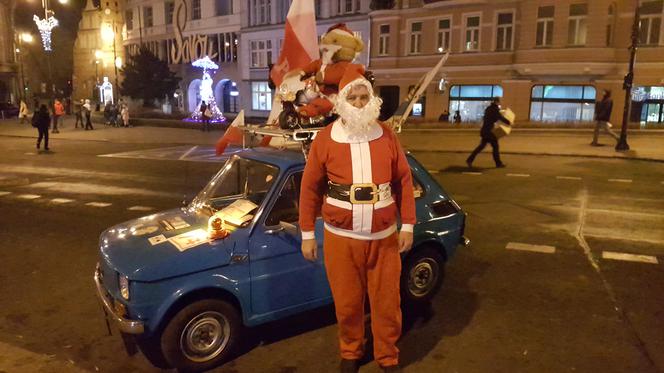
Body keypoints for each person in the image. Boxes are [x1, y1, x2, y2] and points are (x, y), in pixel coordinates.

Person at [299, 70, 416, 373]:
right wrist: (307, 233)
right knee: (348, 303)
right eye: (353, 97)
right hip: (341, 236)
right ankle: (351, 351)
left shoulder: (387, 135)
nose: (360, 102)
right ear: (342, 101)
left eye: (364, 96)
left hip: (383, 237)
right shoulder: (326, 139)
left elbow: (404, 180)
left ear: (372, 99)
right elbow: (310, 188)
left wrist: (408, 225)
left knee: (387, 302)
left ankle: (387, 355)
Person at [466, 97, 510, 168]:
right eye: (499, 102)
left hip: (485, 130)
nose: (500, 103)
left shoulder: (488, 108)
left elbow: (491, 118)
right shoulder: (495, 109)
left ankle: (469, 160)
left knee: (481, 146)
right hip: (490, 132)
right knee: (495, 147)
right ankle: (498, 163)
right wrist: (508, 122)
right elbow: (500, 118)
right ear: (497, 102)